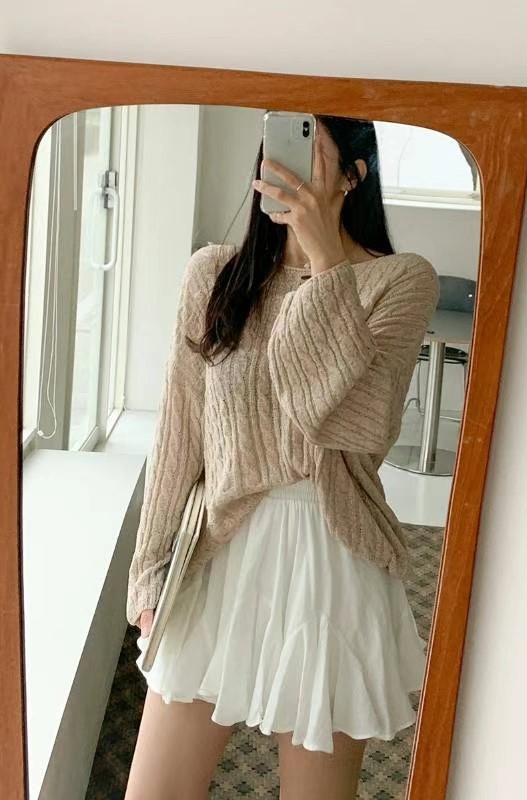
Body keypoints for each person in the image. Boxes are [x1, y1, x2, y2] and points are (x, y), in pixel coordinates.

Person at [124, 114, 440, 800]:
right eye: (278, 150)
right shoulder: (214, 274)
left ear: (354, 175)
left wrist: (325, 265)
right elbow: (181, 431)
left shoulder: (400, 280)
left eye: (310, 155)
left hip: (333, 560)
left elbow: (355, 424)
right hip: (218, 548)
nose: (286, 169)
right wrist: (147, 570)